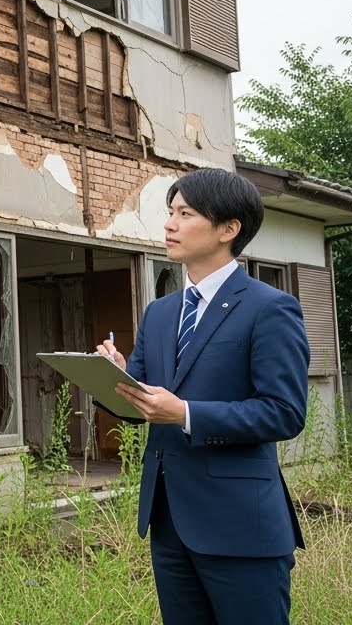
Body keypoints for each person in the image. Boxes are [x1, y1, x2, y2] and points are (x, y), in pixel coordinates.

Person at [97, 167, 309, 625]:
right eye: (170, 212)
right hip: (169, 520)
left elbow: (284, 412)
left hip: (241, 525)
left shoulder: (269, 307)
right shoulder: (160, 312)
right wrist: (114, 377)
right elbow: (141, 405)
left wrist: (186, 413)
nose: (169, 224)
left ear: (228, 229)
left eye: (185, 214)